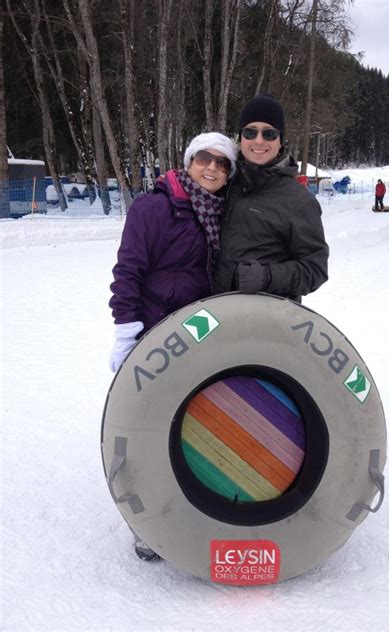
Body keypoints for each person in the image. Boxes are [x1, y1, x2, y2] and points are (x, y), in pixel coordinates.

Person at [108, 132, 237, 559]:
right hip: (154, 336)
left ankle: (188, 511)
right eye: (206, 159)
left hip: (197, 339)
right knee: (147, 429)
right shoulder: (155, 207)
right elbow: (128, 270)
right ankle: (146, 524)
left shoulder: (218, 213)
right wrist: (127, 333)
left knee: (188, 427)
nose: (213, 169)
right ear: (189, 160)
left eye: (223, 164)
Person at [214, 94, 328, 301]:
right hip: (215, 313)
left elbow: (315, 269)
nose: (258, 140)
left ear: (281, 141)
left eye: (269, 134)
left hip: (266, 319)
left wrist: (267, 276)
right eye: (250, 132)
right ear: (241, 138)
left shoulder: (299, 201)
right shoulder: (225, 183)